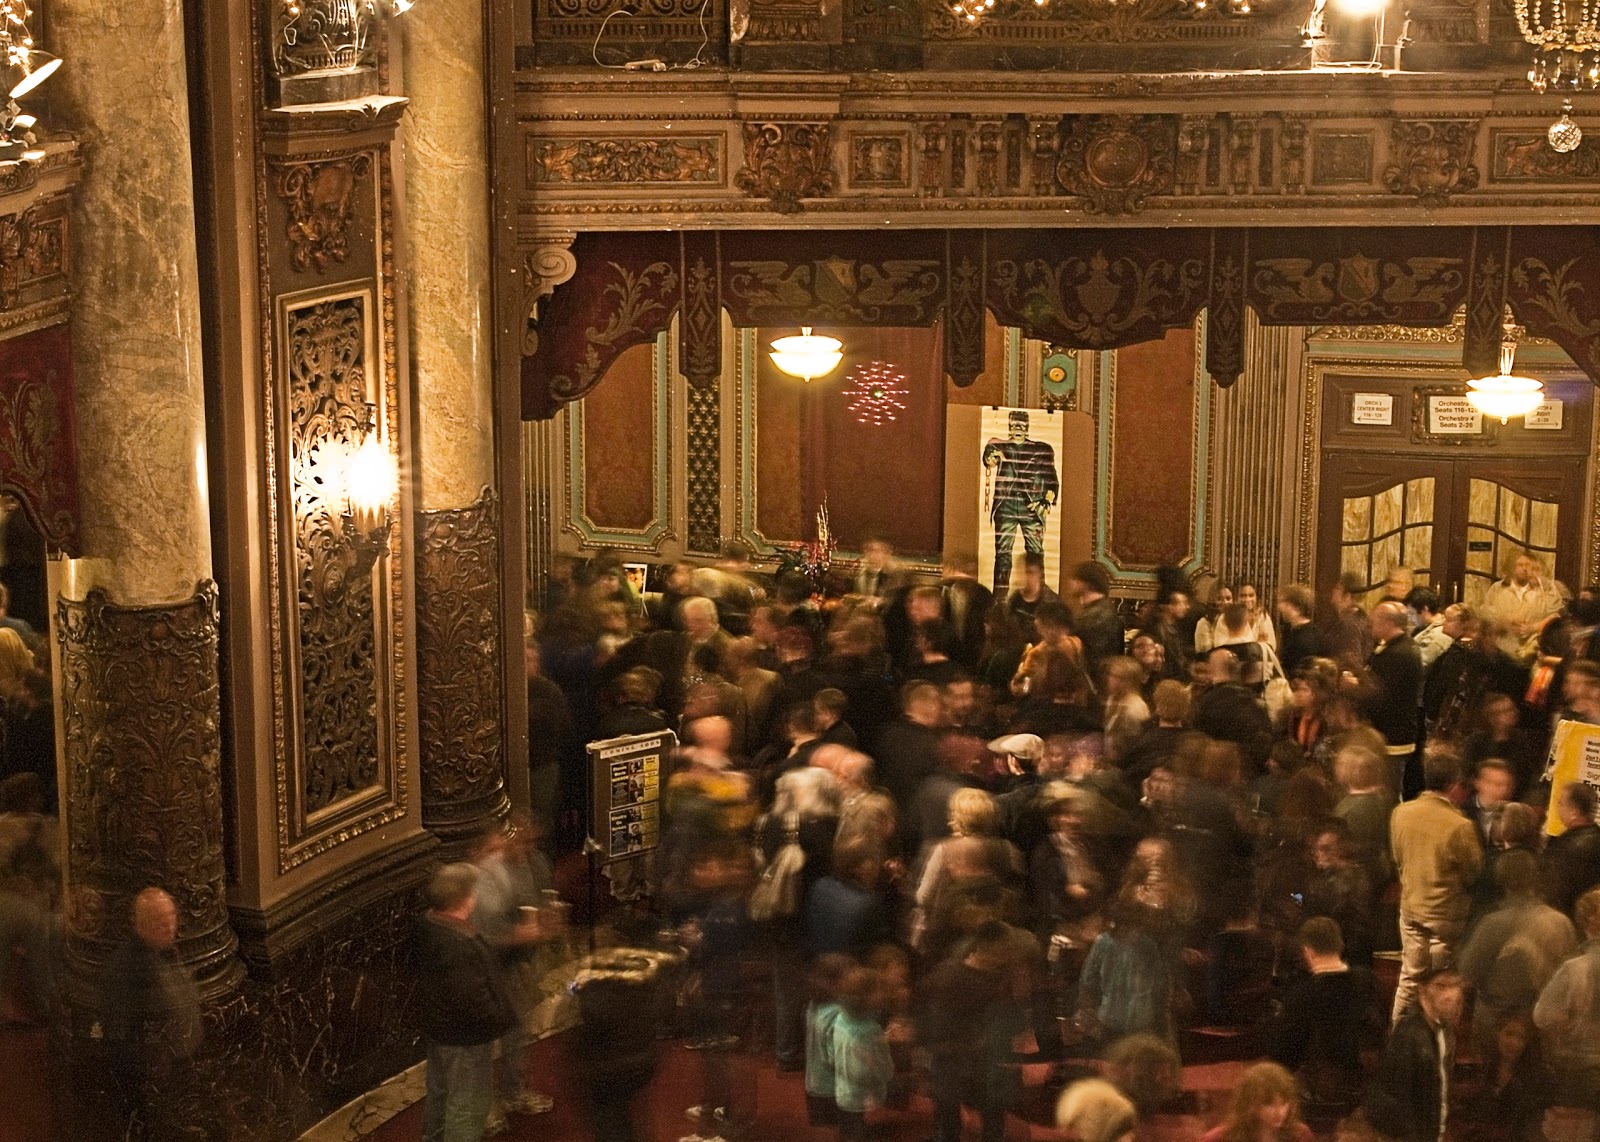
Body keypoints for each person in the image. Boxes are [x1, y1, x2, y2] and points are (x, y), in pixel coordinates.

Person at [415, 863, 520, 1142]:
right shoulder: (457, 944)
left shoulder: (431, 923)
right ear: (465, 898)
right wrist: (503, 1019)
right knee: (468, 1106)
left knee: (440, 1094)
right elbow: (472, 1000)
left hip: (440, 1029)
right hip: (465, 1037)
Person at [103, 887, 213, 1140]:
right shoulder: (126, 969)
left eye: (171, 916)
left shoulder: (168, 950)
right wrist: (152, 1063)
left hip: (181, 1062)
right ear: (140, 924)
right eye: (159, 921)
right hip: (152, 1077)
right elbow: (120, 1031)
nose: (168, 925)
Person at [1389, 746, 1482, 1024]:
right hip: (1445, 919)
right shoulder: (1459, 825)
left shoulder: (1401, 812)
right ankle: (1439, 1046)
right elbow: (1473, 871)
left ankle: (1398, 1040)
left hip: (1411, 910)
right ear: (1454, 785)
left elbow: (1398, 857)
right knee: (1442, 986)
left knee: (1408, 979)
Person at [1458, 850, 1576, 1059]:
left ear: (1502, 881)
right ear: (1535, 879)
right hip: (1544, 1023)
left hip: (1497, 1024)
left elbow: (1467, 975)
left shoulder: (1492, 924)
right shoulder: (1561, 923)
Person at [1267, 918, 1377, 1123]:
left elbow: (1282, 1055)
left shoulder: (1302, 995)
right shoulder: (1368, 983)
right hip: (1362, 1088)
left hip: (1318, 1094)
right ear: (1340, 945)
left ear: (1308, 951)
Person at [1365, 968, 1467, 1142]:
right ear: (1422, 989)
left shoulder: (1445, 1029)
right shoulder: (1409, 1035)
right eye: (1441, 985)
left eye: (1455, 985)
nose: (1451, 994)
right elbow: (1399, 1100)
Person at [1533, 886, 1600, 1109]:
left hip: (1581, 1070)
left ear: (1588, 924)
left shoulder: (1574, 969)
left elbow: (1542, 1016)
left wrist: (1573, 1026)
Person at [983, 409, 1059, 596]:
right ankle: (999, 598)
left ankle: (1037, 595)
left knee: (1035, 554)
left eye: (1022, 425)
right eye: (1014, 425)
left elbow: (1051, 478)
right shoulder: (998, 445)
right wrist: (990, 458)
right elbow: (989, 457)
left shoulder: (1042, 449)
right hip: (1005, 507)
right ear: (1009, 426)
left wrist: (1046, 500)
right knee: (1002, 555)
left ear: (1028, 427)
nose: (1018, 428)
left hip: (1031, 508)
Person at [1361, 600, 1423, 797]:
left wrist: (1357, 686)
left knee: (1388, 791)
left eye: (1375, 619)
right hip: (1387, 733)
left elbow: (1383, 695)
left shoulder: (1399, 654)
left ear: (1388, 623)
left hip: (1392, 736)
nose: (1371, 623)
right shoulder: (1394, 648)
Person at [1480, 551, 1566, 664]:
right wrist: (1504, 621)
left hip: (1534, 651)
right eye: (1520, 565)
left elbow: (1557, 615)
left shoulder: (1546, 589)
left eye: (1528, 566)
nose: (1525, 569)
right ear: (1512, 567)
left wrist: (1534, 627)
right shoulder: (1498, 588)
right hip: (1502, 650)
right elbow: (1486, 614)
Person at [1200, 1061, 1312, 1142]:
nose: (1279, 1112)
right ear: (1250, 1103)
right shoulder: (1219, 1138)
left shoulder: (1300, 1135)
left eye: (1284, 1103)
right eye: (1269, 1104)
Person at [1542, 780, 1600, 918]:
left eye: (1561, 803)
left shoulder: (1567, 848)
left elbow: (1557, 892)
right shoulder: (1596, 837)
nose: (1557, 807)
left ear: (1574, 812)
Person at [1068, 560, 1125, 680]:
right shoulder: (1106, 611)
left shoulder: (1089, 619)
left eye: (1076, 579)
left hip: (1092, 684)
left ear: (1087, 583)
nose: (1071, 583)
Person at [1276, 584, 1326, 678]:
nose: (1279, 607)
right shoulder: (1290, 630)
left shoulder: (1307, 637)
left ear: (1298, 607)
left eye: (1284, 602)